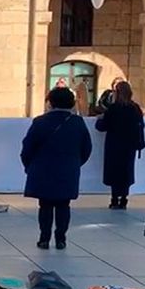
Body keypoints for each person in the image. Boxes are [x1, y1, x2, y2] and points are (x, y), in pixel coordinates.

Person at [21, 87, 93, 250]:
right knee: (63, 205)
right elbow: (87, 148)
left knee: (45, 206)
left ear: (50, 102)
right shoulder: (77, 122)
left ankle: (44, 238)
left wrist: (30, 166)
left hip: (43, 170)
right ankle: (61, 238)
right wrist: (75, 164)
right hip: (67, 171)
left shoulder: (40, 122)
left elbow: (27, 147)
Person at [95, 81, 145, 210]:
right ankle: (124, 198)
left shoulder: (114, 108)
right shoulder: (135, 108)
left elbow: (102, 127)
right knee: (126, 171)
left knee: (114, 171)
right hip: (130, 145)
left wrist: (100, 119)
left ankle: (114, 198)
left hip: (114, 145)